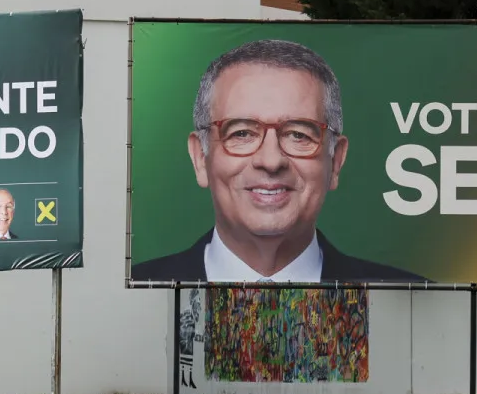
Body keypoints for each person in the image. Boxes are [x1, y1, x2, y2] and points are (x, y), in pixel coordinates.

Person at [130, 38, 422, 285]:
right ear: (199, 157)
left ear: (335, 162)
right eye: (241, 132)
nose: (271, 161)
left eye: (298, 134)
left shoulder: (411, 304)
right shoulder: (135, 297)